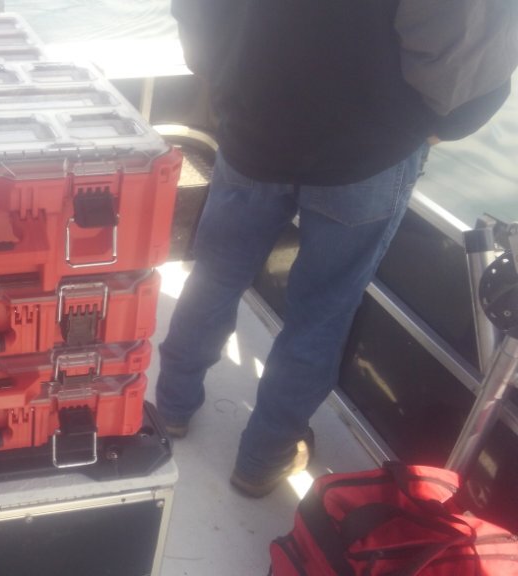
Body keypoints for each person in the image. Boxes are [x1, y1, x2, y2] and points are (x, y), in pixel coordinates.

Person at [159, 0, 516, 498]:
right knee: (322, 312)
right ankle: (264, 457)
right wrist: (442, 123)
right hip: (368, 154)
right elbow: (459, 42)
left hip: (253, 125)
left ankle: (171, 407)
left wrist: (226, 81)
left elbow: (200, 14)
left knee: (215, 275)